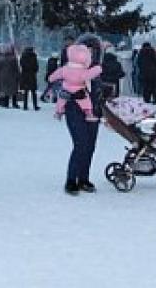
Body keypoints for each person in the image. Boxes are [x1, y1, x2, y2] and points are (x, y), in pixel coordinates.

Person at [57, 36, 103, 195]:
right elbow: (62, 87)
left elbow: (99, 90)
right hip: (74, 109)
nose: (89, 53)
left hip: (94, 111)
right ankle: (71, 180)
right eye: (86, 50)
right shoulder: (71, 68)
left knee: (90, 145)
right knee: (80, 143)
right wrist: (70, 98)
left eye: (92, 50)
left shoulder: (96, 69)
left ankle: (83, 178)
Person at [48, 44, 102, 122]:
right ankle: (88, 114)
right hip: (79, 90)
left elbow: (55, 75)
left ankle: (58, 112)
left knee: (61, 100)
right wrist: (98, 69)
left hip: (66, 89)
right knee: (86, 102)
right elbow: (88, 75)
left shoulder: (65, 68)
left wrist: (51, 78)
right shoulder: (83, 71)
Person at [0, 44, 20, 108]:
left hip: (3, 76)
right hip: (12, 76)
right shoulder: (13, 59)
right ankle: (14, 103)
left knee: (5, 90)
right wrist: (18, 75)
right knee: (14, 90)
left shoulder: (1, 59)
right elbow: (16, 68)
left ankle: (6, 103)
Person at [19, 46, 40, 111]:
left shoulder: (23, 56)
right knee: (33, 91)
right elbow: (36, 66)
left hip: (25, 75)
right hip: (32, 75)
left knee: (26, 91)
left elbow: (21, 65)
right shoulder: (34, 56)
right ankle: (35, 105)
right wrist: (34, 70)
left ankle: (25, 106)